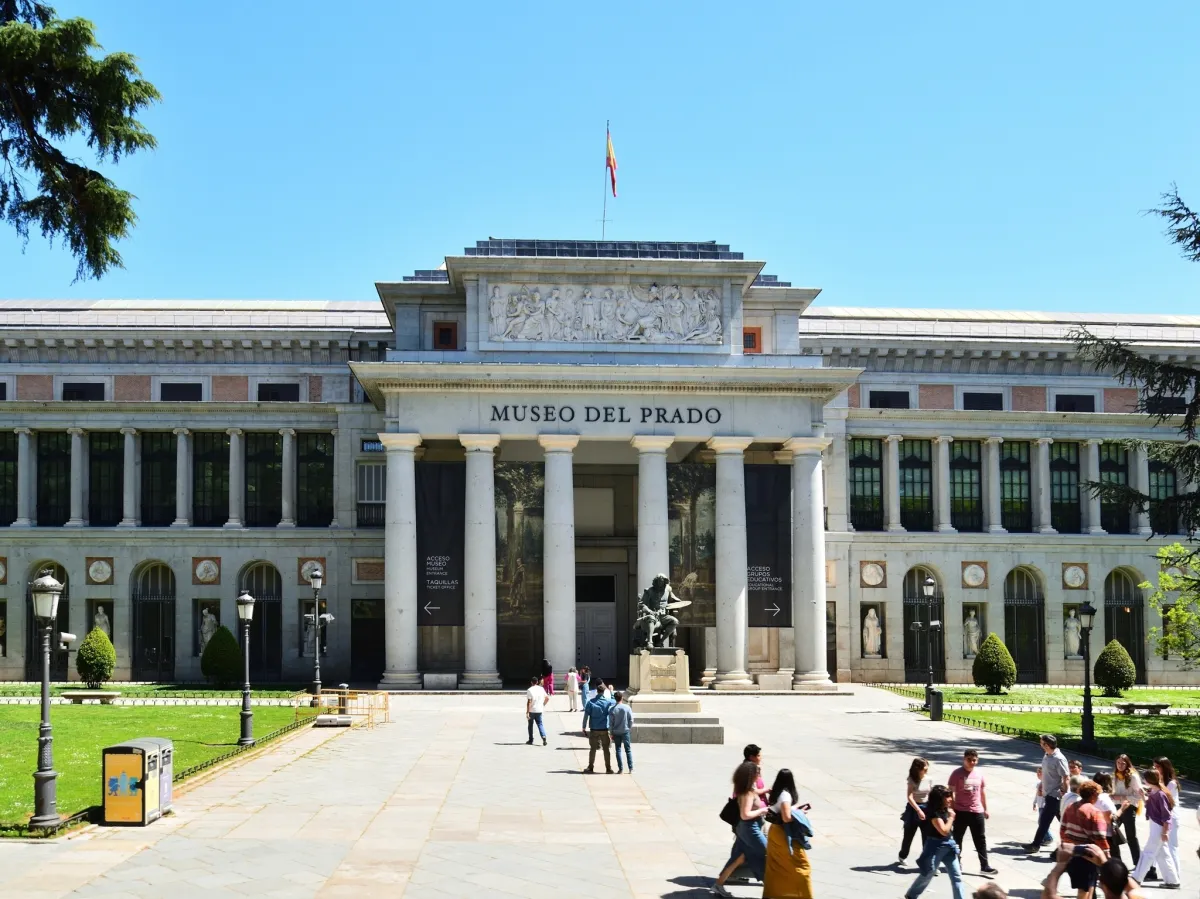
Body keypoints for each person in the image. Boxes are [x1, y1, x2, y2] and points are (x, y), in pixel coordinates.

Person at [1042, 779, 1109, 899]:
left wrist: (1066, 846)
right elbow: (1099, 836)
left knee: (1086, 888)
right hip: (1088, 855)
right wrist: (1105, 853)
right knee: (1085, 891)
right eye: (1097, 795)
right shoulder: (1094, 812)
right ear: (1093, 795)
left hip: (1071, 854)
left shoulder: (1070, 807)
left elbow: (1063, 829)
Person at [711, 761, 770, 897]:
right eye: (758, 773)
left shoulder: (749, 790)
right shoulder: (747, 793)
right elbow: (745, 815)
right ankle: (773, 886)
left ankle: (718, 885)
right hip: (750, 829)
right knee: (769, 852)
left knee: (739, 857)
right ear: (751, 775)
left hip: (745, 828)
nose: (760, 775)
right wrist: (762, 810)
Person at [904, 784, 966, 899]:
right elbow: (944, 831)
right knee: (928, 873)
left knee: (957, 876)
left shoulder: (944, 809)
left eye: (950, 796)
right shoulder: (934, 814)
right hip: (935, 847)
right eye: (947, 797)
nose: (950, 799)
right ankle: (912, 895)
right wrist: (952, 818)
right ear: (939, 799)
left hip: (948, 847)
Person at [762, 768, 814, 899]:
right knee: (802, 865)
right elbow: (786, 817)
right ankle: (803, 895)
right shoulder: (785, 795)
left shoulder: (776, 793)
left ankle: (773, 894)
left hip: (774, 830)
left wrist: (794, 809)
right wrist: (800, 813)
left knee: (776, 865)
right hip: (783, 833)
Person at [948, 749, 998, 875]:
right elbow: (950, 793)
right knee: (957, 839)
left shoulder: (979, 774)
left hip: (977, 811)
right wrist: (951, 809)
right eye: (969, 759)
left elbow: (982, 792)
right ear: (964, 759)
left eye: (974, 760)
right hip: (960, 811)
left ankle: (985, 866)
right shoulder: (956, 774)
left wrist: (985, 809)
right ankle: (956, 863)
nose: (972, 762)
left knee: (980, 839)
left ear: (977, 760)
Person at [1130, 770, 1179, 887]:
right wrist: (1143, 795)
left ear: (1149, 780)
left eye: (1144, 778)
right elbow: (1151, 805)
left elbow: (1166, 816)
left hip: (1159, 827)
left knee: (1148, 852)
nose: (1143, 780)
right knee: (1162, 854)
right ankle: (1173, 881)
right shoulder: (1155, 792)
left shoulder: (1160, 794)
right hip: (1157, 825)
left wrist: (1165, 832)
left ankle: (1137, 878)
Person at [1026, 734, 1070, 853]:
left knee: (1044, 821)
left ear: (1047, 745)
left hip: (1054, 795)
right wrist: (1042, 784)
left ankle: (1035, 845)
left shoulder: (1059, 758)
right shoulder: (1047, 755)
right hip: (1048, 794)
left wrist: (1064, 793)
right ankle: (1074, 840)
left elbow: (1066, 777)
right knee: (1064, 822)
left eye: (1041, 743)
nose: (1040, 744)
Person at [1153, 757, 1182, 887]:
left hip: (1171, 818)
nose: (1155, 769)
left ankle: (1176, 876)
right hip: (1163, 817)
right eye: (1154, 767)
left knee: (1171, 847)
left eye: (1157, 767)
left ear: (1164, 767)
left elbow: (1166, 798)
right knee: (1164, 847)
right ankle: (1170, 874)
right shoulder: (1161, 781)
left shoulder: (1172, 783)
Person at [899, 757, 932, 869]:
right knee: (909, 835)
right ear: (918, 769)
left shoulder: (929, 779)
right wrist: (918, 810)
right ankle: (903, 855)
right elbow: (909, 796)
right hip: (914, 809)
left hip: (926, 808)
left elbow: (931, 794)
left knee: (927, 837)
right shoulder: (912, 780)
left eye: (927, 768)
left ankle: (927, 861)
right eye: (924, 768)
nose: (926, 771)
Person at [1111, 755, 1142, 868]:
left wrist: (1121, 797)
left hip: (1129, 807)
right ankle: (1116, 860)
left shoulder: (1133, 777)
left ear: (1127, 764)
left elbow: (1138, 795)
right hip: (1116, 808)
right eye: (1118, 763)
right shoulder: (1115, 775)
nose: (1120, 765)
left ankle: (1138, 863)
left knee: (1131, 836)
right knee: (1111, 831)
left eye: (1123, 763)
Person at [580, 680, 616, 774]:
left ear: (597, 691)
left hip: (594, 729)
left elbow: (586, 715)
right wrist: (611, 692)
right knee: (606, 749)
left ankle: (590, 767)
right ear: (604, 692)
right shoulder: (608, 702)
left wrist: (583, 727)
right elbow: (615, 701)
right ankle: (608, 768)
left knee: (592, 749)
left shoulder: (591, 702)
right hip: (604, 728)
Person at [610, 691, 634, 773]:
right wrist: (629, 728)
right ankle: (630, 768)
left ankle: (620, 769)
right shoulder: (627, 708)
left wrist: (611, 732)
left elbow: (611, 723)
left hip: (616, 731)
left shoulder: (612, 709)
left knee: (618, 750)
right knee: (628, 750)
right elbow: (631, 720)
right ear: (622, 698)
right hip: (625, 730)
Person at [525, 675, 547, 746]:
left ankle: (531, 739)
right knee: (540, 724)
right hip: (539, 710)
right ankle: (543, 737)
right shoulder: (541, 689)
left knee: (530, 725)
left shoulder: (529, 690)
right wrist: (543, 705)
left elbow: (529, 702)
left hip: (532, 710)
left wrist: (527, 712)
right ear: (537, 682)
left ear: (531, 682)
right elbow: (547, 698)